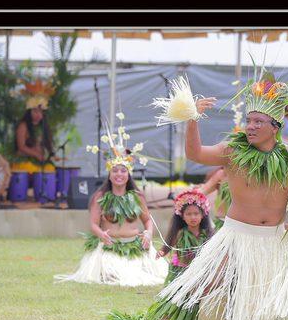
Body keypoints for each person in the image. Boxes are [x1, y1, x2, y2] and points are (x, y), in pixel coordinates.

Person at [137, 73, 288, 320]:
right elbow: (196, 153)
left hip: (278, 236)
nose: (250, 126)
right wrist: (192, 118)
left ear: (275, 127)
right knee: (198, 281)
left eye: (258, 122)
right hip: (237, 235)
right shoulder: (232, 152)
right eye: (248, 121)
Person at [54, 120, 167, 286]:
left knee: (145, 277)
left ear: (129, 174)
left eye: (123, 171)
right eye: (115, 170)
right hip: (110, 248)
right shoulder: (100, 196)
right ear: (109, 174)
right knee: (114, 277)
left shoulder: (137, 196)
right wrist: (101, 234)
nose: (119, 174)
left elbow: (147, 220)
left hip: (134, 247)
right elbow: (93, 224)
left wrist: (149, 233)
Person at [156, 189, 214, 284]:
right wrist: (162, 251)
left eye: (196, 214)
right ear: (182, 216)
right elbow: (169, 244)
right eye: (188, 214)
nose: (193, 217)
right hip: (181, 271)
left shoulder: (207, 234)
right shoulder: (179, 233)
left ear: (202, 215)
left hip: (200, 270)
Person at [11, 79, 57, 174]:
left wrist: (50, 156)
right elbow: (21, 147)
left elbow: (43, 147)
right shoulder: (23, 125)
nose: (38, 115)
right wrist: (36, 154)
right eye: (35, 111)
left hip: (37, 162)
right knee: (33, 170)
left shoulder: (42, 127)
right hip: (23, 162)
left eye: (41, 112)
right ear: (29, 111)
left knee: (50, 169)